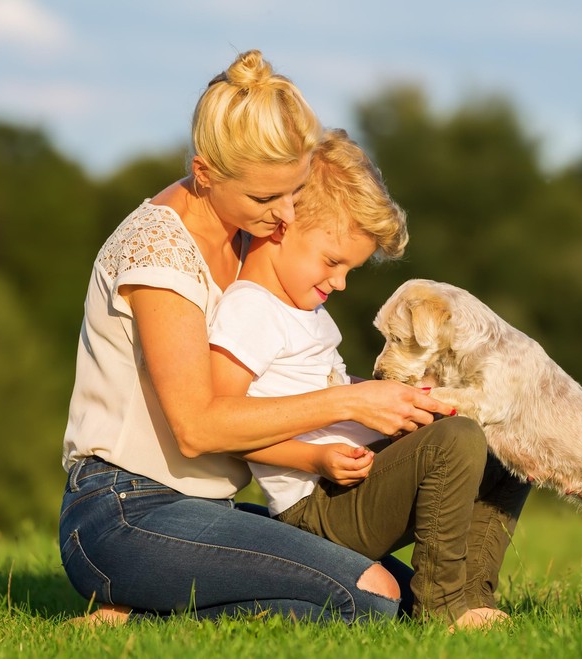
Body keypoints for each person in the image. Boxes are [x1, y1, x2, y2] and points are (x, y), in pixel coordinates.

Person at [59, 50, 457, 626]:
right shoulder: (160, 254)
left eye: (293, 191)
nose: (284, 215)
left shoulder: (247, 232)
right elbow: (197, 428)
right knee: (371, 599)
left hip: (203, 508)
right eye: (265, 198)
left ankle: (147, 607)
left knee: (414, 597)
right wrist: (349, 400)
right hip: (123, 511)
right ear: (205, 173)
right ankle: (139, 613)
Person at [210, 129, 532, 628]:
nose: (338, 281)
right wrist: (311, 456)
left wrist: (401, 401)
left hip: (354, 481)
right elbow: (220, 424)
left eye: (348, 270)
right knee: (457, 439)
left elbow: (326, 389)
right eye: (332, 261)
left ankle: (472, 595)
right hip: (315, 505)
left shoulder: (304, 307)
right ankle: (442, 607)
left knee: (506, 447)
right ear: (283, 226)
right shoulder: (250, 309)